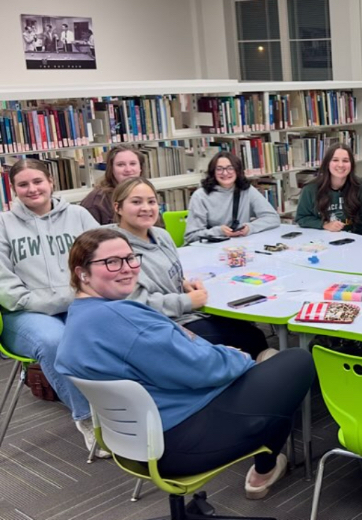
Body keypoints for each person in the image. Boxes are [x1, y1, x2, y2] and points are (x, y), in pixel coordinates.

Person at [55, 228, 315, 498]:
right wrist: (238, 357)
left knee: (265, 379)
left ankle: (265, 470)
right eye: (111, 262)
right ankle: (264, 471)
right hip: (182, 443)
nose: (127, 268)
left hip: (135, 441)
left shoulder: (79, 318)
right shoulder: (123, 319)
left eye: (131, 258)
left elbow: (176, 363)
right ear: (82, 273)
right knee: (296, 361)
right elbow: (203, 368)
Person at [0, 159, 103, 457]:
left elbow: (102, 258)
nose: (32, 189)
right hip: (24, 313)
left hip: (79, 303)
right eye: (23, 184)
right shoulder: (3, 225)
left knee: (119, 329)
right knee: (55, 341)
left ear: (51, 182)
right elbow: (5, 285)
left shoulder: (79, 216)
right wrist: (55, 301)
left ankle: (127, 410)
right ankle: (86, 418)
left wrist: (88, 295)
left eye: (37, 181)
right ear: (14, 189)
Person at [111, 177, 269, 357]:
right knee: (246, 340)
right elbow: (134, 304)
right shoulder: (115, 249)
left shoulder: (161, 235)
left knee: (250, 331)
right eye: (136, 202)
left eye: (151, 201)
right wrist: (186, 301)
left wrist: (184, 283)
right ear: (118, 208)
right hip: (163, 325)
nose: (146, 208)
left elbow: (172, 273)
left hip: (187, 311)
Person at [184, 151, 280, 244]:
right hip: (210, 248)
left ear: (237, 171)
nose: (225, 173)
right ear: (213, 172)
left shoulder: (246, 190)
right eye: (219, 169)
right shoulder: (200, 196)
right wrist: (219, 231)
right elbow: (191, 236)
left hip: (238, 246)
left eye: (230, 168)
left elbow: (273, 218)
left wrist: (250, 228)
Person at [296, 143, 362, 235]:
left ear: (351, 164)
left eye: (345, 161)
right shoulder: (310, 189)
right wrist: (325, 225)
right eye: (335, 160)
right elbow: (301, 218)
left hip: (354, 241)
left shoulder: (361, 186)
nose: (340, 165)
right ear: (327, 163)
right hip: (321, 241)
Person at [80, 145, 146, 225]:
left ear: (140, 168)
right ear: (111, 169)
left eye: (133, 164)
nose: (128, 169)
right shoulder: (96, 202)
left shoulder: (146, 193)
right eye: (120, 165)